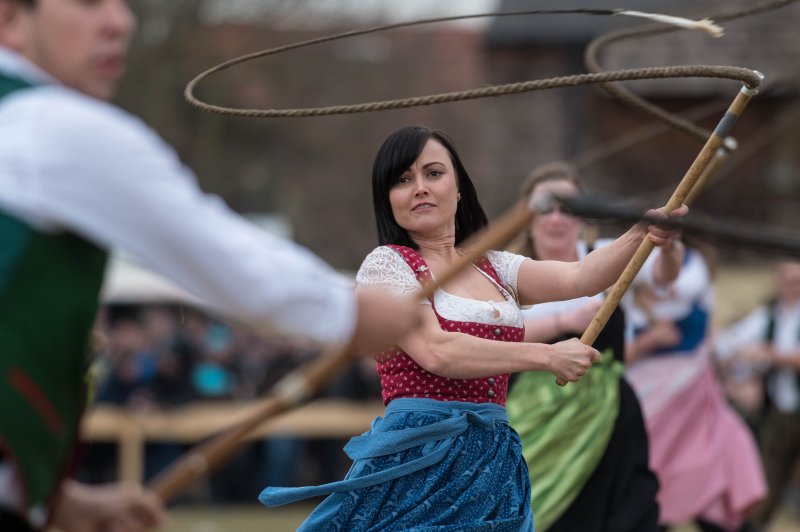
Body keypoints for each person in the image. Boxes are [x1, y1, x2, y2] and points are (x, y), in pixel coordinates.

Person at [0, 1, 420, 530]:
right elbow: (223, 256)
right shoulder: (54, 126)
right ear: (11, 19)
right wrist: (350, 312)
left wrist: (62, 501)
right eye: (87, 2)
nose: (119, 21)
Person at [259, 127, 685, 530]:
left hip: (493, 457)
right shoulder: (387, 264)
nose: (420, 187)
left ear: (458, 187)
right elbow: (438, 352)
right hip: (419, 457)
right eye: (403, 179)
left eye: (434, 173)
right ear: (388, 198)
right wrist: (547, 355)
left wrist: (640, 233)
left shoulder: (495, 266)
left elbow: (582, 277)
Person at [504, 161, 682, 532]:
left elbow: (665, 275)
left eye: (567, 209)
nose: (556, 219)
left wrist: (667, 246)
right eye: (546, 208)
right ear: (527, 217)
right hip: (537, 417)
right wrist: (563, 323)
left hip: (611, 417)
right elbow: (495, 335)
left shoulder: (607, 254)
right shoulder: (509, 273)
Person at [625, 235, 766, 532]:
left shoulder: (693, 272)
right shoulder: (632, 287)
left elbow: (682, 291)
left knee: (715, 465)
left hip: (694, 399)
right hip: (649, 403)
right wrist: (650, 339)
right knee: (654, 477)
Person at [715, 260, 800, 531]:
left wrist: (770, 354)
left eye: (798, 281)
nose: (793, 286)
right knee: (769, 476)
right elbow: (727, 344)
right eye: (788, 280)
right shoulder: (769, 316)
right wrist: (737, 367)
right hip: (780, 410)